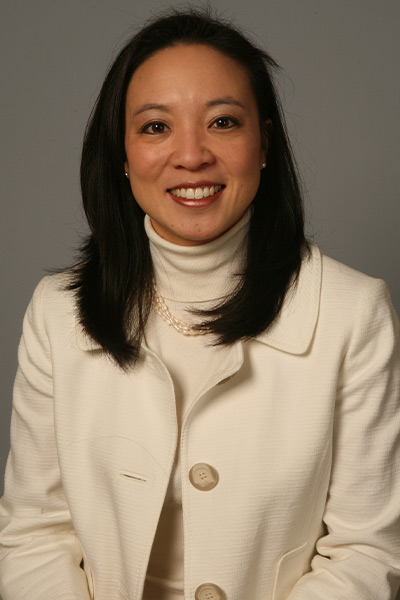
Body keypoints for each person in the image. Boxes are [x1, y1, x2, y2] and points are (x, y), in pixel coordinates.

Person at [0, 8, 399, 600]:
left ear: (263, 143)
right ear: (121, 154)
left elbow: (368, 552)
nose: (191, 156)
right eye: (156, 127)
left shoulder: (353, 312)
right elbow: (35, 537)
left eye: (223, 122)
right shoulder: (57, 313)